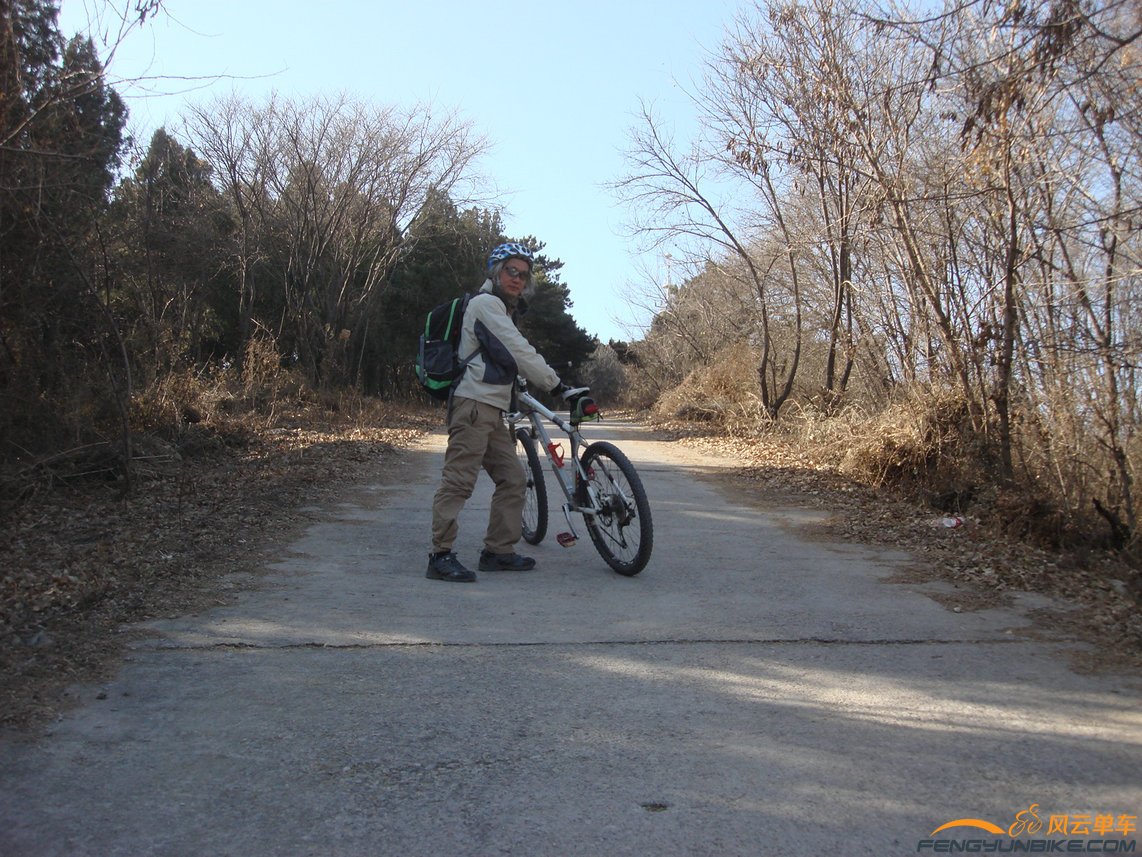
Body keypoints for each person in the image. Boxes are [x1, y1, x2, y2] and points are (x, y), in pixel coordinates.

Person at [426, 243, 578, 583]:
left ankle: (498, 551)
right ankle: (440, 556)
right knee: (458, 481)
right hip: (472, 406)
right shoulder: (485, 304)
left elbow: (503, 358)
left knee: (513, 479)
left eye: (524, 275)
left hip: (491, 410)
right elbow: (517, 349)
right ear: (495, 271)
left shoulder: (502, 309)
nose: (518, 279)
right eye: (511, 271)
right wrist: (557, 386)